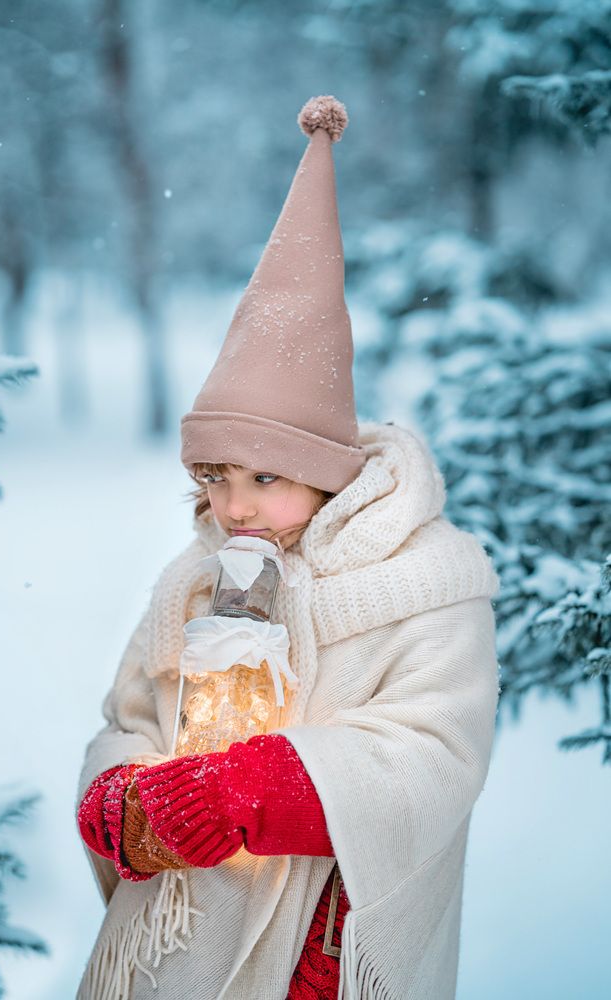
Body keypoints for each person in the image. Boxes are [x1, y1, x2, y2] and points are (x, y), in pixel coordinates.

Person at [74, 96, 501, 1000]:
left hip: (331, 946)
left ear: (330, 473)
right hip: (182, 948)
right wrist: (125, 805)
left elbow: (432, 754)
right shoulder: (193, 585)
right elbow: (128, 722)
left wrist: (246, 791)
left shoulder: (423, 584)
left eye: (267, 479)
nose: (235, 507)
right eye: (216, 478)